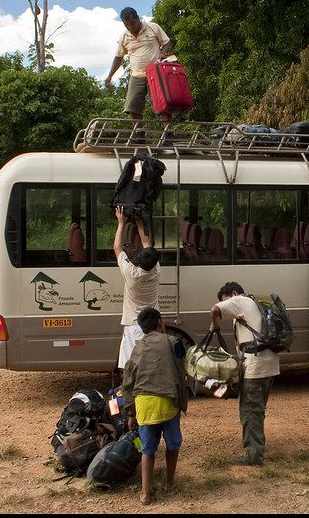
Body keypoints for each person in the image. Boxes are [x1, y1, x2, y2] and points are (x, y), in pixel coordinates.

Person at [122, 308, 188, 504]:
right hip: (168, 401)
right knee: (173, 444)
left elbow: (128, 380)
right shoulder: (172, 341)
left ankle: (145, 493)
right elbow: (182, 367)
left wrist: (131, 413)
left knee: (147, 450)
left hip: (144, 405)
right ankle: (169, 483)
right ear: (160, 322)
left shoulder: (137, 348)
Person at [210, 281, 279, 466]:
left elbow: (215, 309)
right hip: (270, 364)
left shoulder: (239, 300)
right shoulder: (255, 302)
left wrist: (214, 324)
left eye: (226, 300)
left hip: (255, 367)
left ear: (232, 293)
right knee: (257, 409)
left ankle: (254, 455)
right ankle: (258, 445)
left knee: (249, 411)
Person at [105, 7, 174, 123]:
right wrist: (109, 76)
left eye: (132, 24)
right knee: (132, 106)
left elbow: (167, 42)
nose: (130, 27)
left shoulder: (153, 27)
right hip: (137, 74)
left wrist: (162, 53)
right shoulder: (124, 36)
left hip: (156, 72)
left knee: (163, 104)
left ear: (138, 18)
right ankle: (138, 134)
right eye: (126, 25)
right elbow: (118, 57)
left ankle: (168, 134)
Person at [115, 205, 161, 372]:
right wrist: (140, 223)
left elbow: (117, 249)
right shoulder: (156, 271)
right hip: (153, 327)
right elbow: (146, 242)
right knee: (150, 367)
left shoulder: (132, 274)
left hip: (134, 326)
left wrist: (121, 223)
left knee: (131, 368)